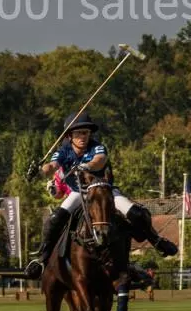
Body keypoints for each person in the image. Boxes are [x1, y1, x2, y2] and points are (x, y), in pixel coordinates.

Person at [24, 111, 177, 279]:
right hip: (79, 193)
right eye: (78, 133)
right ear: (69, 136)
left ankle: (156, 240)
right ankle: (42, 260)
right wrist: (39, 171)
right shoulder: (63, 151)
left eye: (86, 132)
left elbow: (100, 160)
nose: (83, 137)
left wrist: (87, 166)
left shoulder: (97, 147)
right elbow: (51, 166)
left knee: (137, 213)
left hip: (103, 190)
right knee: (53, 220)